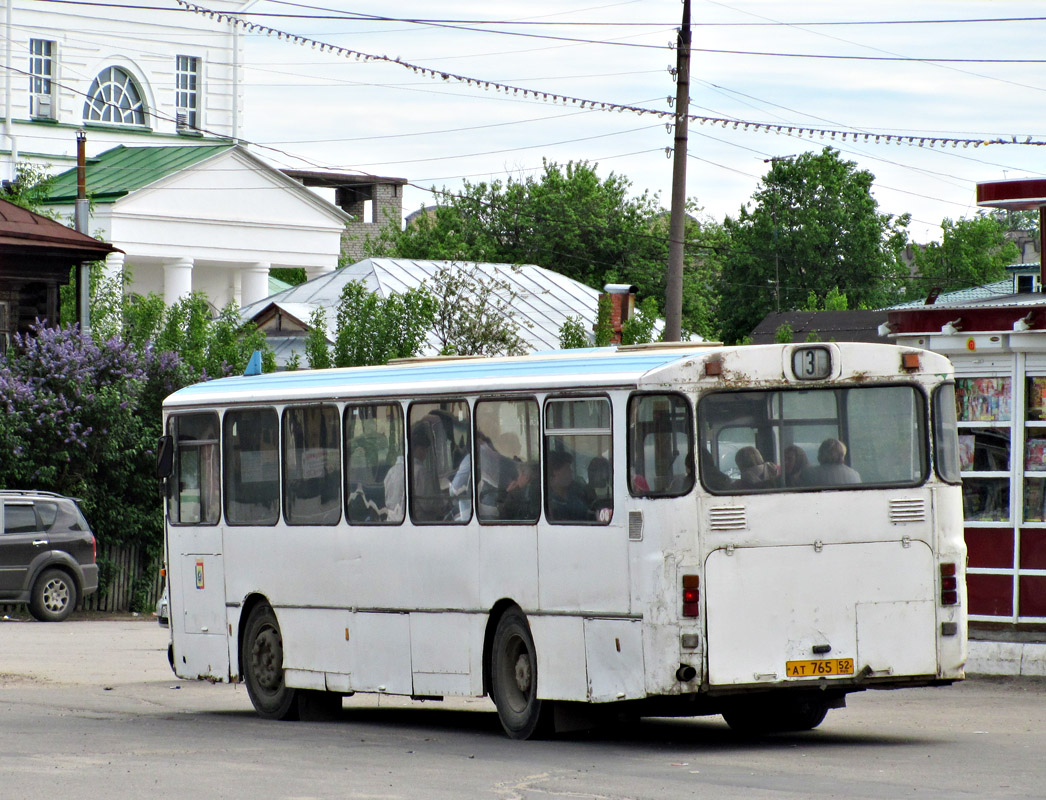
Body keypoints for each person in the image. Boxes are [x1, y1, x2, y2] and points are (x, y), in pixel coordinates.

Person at [546, 450, 592, 521]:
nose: (571, 471)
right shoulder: (546, 498)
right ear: (555, 472)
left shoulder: (576, 489)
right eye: (567, 468)